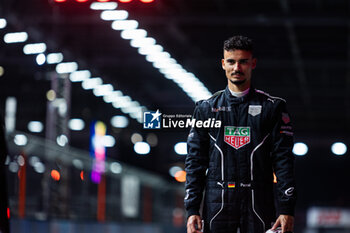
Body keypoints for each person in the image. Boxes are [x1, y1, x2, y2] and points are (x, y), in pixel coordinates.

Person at [184, 35, 296, 233]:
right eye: (231, 61)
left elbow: (283, 160)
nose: (237, 68)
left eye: (243, 62)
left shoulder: (273, 108)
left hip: (258, 201)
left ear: (253, 63)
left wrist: (287, 208)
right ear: (223, 64)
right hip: (217, 202)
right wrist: (192, 209)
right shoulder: (205, 109)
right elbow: (195, 161)